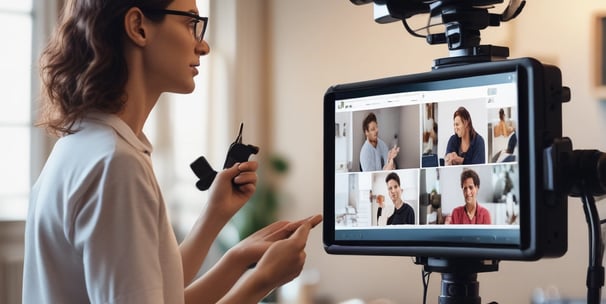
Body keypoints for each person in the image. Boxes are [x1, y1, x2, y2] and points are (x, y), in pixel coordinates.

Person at [22, 1, 322, 303]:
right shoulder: (117, 165)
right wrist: (261, 281)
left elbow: (159, 294)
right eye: (191, 23)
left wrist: (230, 246)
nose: (203, 46)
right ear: (138, 26)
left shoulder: (80, 147)